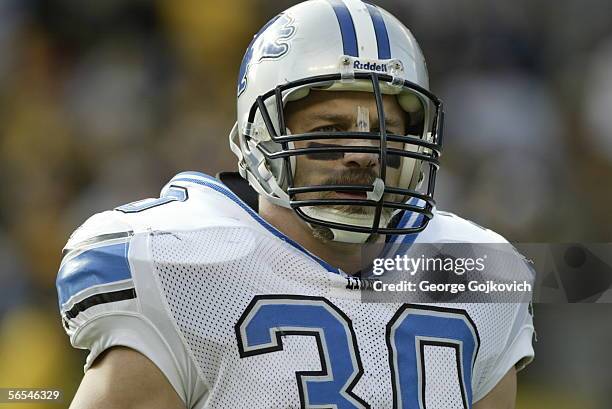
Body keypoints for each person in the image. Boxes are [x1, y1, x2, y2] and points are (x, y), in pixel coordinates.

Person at [57, 1, 535, 408]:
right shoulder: (178, 262)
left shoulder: (479, 270)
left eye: (386, 135)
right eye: (330, 131)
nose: (362, 155)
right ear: (260, 138)